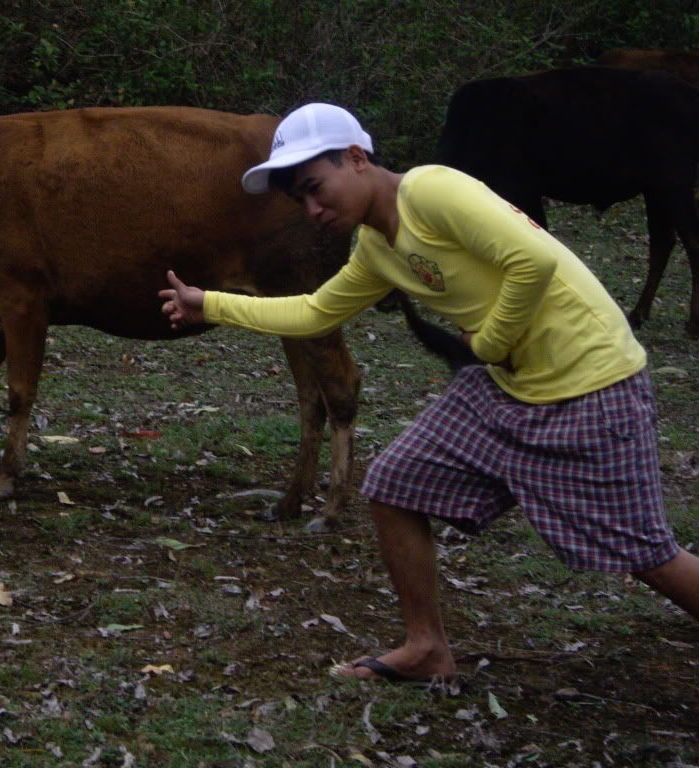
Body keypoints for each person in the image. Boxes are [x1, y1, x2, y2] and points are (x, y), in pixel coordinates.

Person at [158, 102, 699, 684]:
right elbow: (315, 311)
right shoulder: (376, 249)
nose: (312, 209)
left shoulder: (431, 191)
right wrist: (207, 303)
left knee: (646, 555)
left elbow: (534, 260)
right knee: (394, 486)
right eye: (300, 200)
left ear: (357, 158)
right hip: (507, 385)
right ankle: (426, 647)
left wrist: (488, 343)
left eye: (316, 188)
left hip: (591, 384)